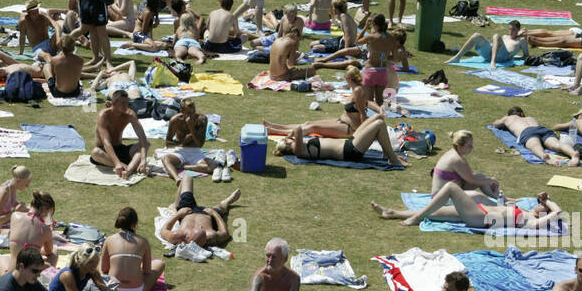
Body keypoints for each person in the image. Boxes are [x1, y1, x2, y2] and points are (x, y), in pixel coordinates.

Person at [373, 187, 564, 233]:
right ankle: (392, 213)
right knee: (436, 213)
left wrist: (551, 201)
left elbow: (559, 212)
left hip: (479, 217)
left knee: (450, 188)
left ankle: (416, 218)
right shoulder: (525, 210)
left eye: (543, 206)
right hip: (478, 210)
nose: (539, 203)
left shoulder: (531, 221)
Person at [273, 114, 407, 168]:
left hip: (349, 143)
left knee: (378, 117)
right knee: (379, 125)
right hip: (350, 151)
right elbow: (298, 129)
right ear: (288, 145)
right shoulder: (298, 151)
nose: (291, 139)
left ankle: (386, 153)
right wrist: (291, 134)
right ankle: (392, 158)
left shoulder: (300, 146)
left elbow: (300, 130)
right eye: (288, 141)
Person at [158, 174, 240, 249]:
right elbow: (225, 234)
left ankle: (175, 205)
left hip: (187, 212)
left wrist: (178, 214)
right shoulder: (209, 236)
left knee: (187, 178)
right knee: (221, 207)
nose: (200, 227)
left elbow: (163, 231)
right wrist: (214, 214)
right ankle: (227, 202)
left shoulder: (178, 236)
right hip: (208, 216)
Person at [100, 207, 163, 291]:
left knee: (98, 262)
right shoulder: (143, 241)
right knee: (160, 263)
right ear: (135, 223)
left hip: (112, 288)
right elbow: (147, 271)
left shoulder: (109, 240)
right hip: (137, 290)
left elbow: (104, 269)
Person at [91, 90, 151, 179]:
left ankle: (128, 170)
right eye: (122, 103)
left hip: (120, 149)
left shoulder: (129, 114)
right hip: (105, 151)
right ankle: (127, 167)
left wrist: (143, 160)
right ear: (113, 103)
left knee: (146, 144)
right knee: (95, 152)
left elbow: (142, 137)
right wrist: (117, 163)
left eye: (127, 102)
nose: (125, 106)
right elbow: (106, 142)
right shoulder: (104, 115)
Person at [491, 107, 581, 167]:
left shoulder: (508, 118)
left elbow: (495, 124)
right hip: (541, 129)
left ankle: (544, 156)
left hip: (527, 132)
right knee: (557, 144)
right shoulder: (530, 118)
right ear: (522, 114)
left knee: (535, 145)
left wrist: (505, 118)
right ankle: (573, 154)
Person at [446, 19, 526, 66]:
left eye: (514, 30)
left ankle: (492, 62)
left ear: (518, 30)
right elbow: (497, 45)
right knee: (476, 36)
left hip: (502, 57)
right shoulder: (505, 36)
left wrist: (514, 58)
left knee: (496, 36)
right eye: (510, 29)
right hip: (490, 53)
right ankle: (457, 57)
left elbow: (526, 56)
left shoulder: (521, 40)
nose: (511, 32)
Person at [0, 165, 32, 234]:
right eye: (26, 185)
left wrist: (25, 208)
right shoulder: (4, 192)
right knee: (25, 233)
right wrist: (15, 211)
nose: (27, 187)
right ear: (18, 180)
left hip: (7, 222)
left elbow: (12, 203)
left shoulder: (13, 187)